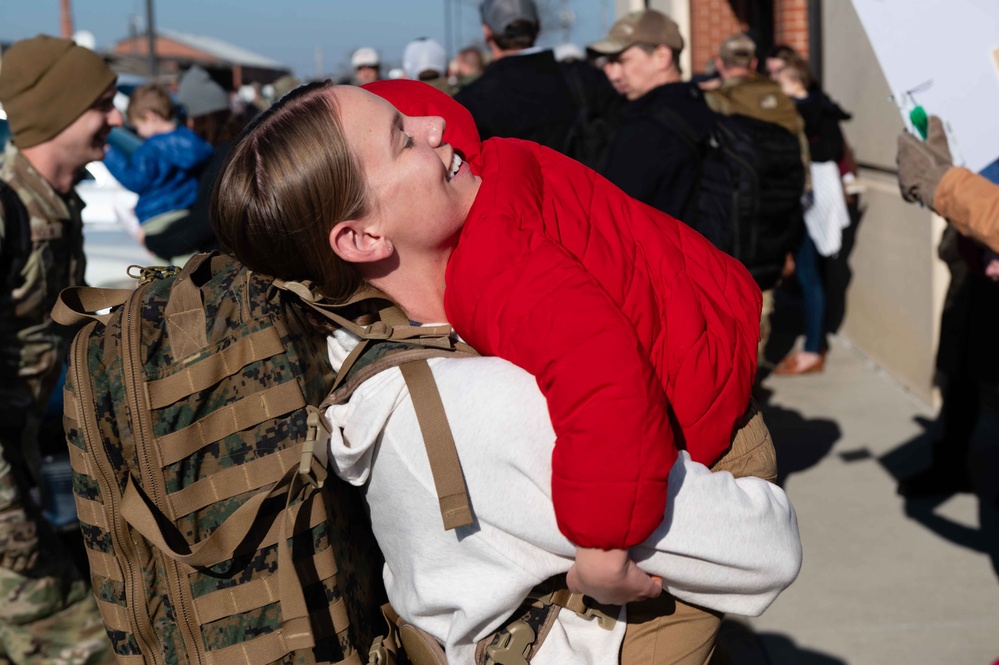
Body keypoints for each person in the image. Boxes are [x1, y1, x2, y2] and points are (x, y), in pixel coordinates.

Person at [211, 79, 802, 664]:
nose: (435, 127)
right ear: (363, 236)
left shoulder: (370, 345)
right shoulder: (482, 392)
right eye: (403, 139)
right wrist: (604, 549)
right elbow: (764, 548)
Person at [0, 34, 116, 663]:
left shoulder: (55, 208)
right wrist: (9, 521)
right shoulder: (7, 211)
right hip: (4, 501)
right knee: (82, 648)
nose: (116, 117)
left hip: (24, 471)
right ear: (59, 112)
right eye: (103, 103)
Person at [588, 9, 718, 233]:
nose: (613, 74)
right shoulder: (704, 106)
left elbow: (611, 220)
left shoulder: (646, 129)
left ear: (661, 57)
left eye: (621, 60)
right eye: (608, 63)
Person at [454, 0, 621, 168]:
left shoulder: (470, 102)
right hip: (588, 189)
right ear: (538, 26)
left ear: (487, 31)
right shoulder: (585, 77)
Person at [772, 55, 852, 376]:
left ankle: (812, 349)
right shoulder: (814, 107)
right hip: (808, 198)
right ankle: (813, 345)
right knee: (809, 273)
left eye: (779, 77)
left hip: (814, 199)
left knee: (809, 273)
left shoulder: (809, 110)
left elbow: (830, 149)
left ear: (796, 81)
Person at [138, 65, 249, 262]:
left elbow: (206, 221)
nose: (187, 125)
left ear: (206, 117)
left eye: (189, 117)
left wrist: (154, 241)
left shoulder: (227, 155)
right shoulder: (230, 149)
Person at [104, 83, 214, 248]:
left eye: (138, 127)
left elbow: (135, 180)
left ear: (150, 117)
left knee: (163, 272)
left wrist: (109, 155)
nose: (139, 133)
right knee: (188, 265)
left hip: (155, 215)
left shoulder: (151, 148)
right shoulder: (192, 140)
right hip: (186, 212)